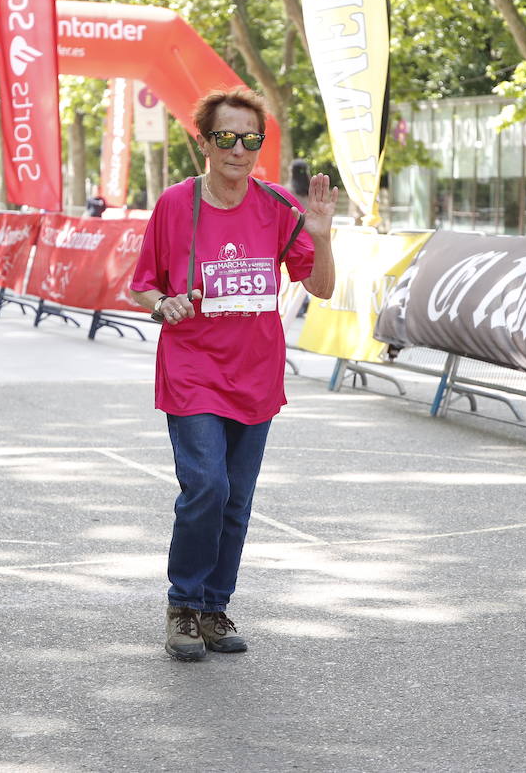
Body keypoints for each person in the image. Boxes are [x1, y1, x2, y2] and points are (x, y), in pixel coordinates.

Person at [129, 86, 337, 662]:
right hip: (192, 368)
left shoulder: (275, 207)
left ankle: (215, 608)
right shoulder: (175, 204)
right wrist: (160, 304)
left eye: (251, 140)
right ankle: (183, 604)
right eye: (226, 137)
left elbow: (320, 287)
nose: (238, 150)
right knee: (207, 486)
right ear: (205, 141)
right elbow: (143, 281)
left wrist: (321, 238)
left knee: (237, 499)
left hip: (256, 373)